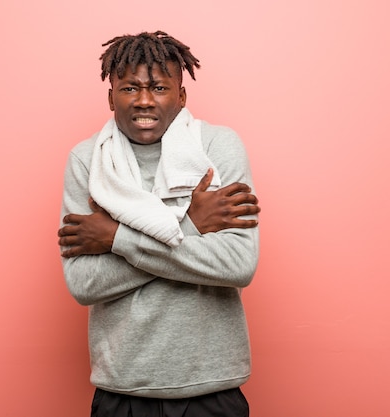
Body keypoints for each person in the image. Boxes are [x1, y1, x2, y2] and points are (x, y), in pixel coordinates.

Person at [57, 31, 260, 417]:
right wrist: (193, 228)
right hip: (123, 388)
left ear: (181, 97)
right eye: (130, 87)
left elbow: (237, 264)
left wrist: (116, 237)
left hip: (213, 387)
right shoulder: (87, 161)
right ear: (111, 96)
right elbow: (84, 284)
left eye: (159, 87)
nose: (145, 100)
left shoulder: (217, 148)